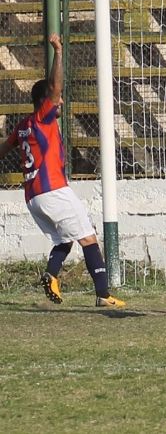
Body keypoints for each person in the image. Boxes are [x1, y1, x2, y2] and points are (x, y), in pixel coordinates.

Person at [0, 34, 125, 308]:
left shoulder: (22, 126)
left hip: (33, 197)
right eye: (57, 99)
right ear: (46, 100)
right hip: (53, 190)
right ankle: (103, 295)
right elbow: (55, 86)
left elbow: (4, 149)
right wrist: (58, 51)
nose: (61, 102)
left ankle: (51, 274)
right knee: (88, 238)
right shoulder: (42, 118)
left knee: (65, 239)